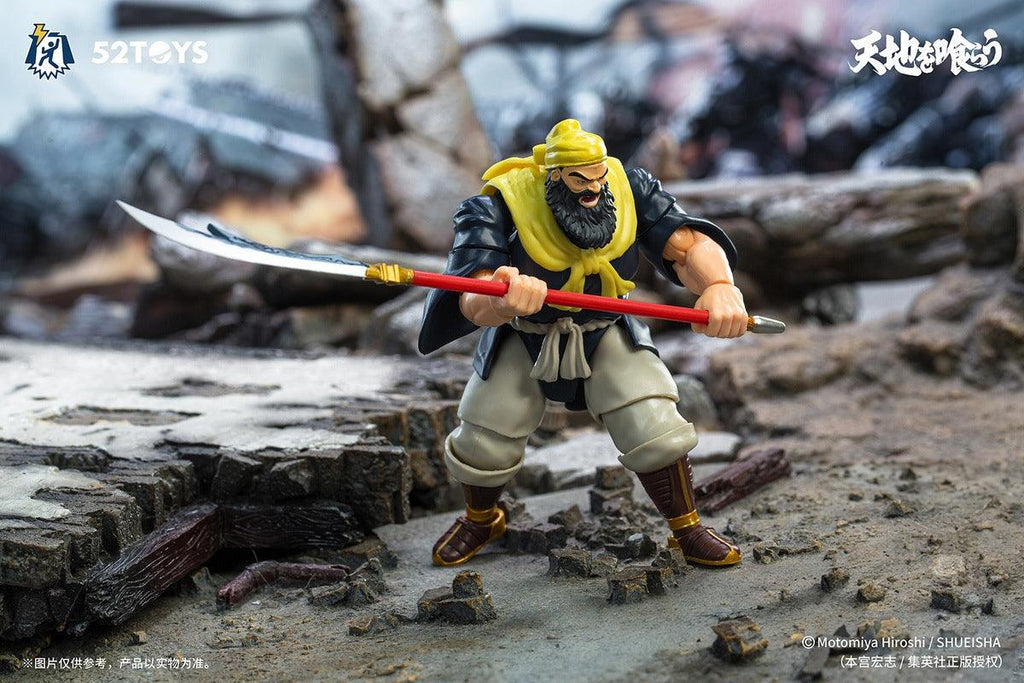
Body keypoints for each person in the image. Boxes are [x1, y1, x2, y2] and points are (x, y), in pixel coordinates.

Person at [419, 119, 748, 568]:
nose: (593, 189)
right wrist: (501, 296)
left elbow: (688, 245)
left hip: (604, 327)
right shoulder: (498, 204)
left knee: (653, 423)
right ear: (554, 176)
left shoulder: (629, 188)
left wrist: (719, 286)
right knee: (485, 434)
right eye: (579, 180)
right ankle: (482, 518)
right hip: (526, 333)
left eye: (598, 176)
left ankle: (686, 528)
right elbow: (471, 294)